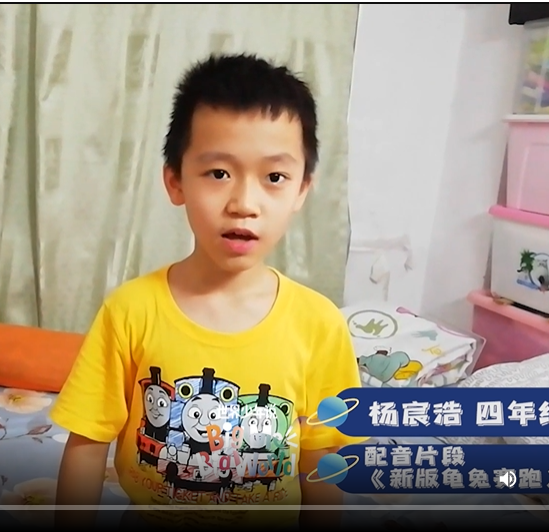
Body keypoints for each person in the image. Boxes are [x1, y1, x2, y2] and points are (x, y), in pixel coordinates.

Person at [49, 53, 367, 531]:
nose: (244, 204)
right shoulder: (130, 309)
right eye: (219, 173)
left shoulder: (318, 324)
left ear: (302, 190)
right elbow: (88, 444)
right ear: (175, 181)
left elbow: (322, 461)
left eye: (274, 178)